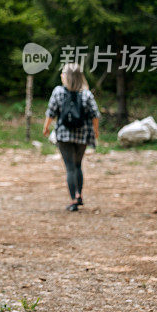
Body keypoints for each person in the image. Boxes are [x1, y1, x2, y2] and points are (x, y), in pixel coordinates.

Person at [42, 63, 100, 211]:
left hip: (64, 135)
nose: (61, 76)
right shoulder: (86, 94)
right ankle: (79, 194)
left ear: (67, 77)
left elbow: (51, 112)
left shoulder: (58, 92)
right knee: (78, 165)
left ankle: (73, 199)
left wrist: (46, 127)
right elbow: (95, 114)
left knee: (70, 168)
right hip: (83, 135)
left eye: (63, 73)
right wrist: (95, 131)